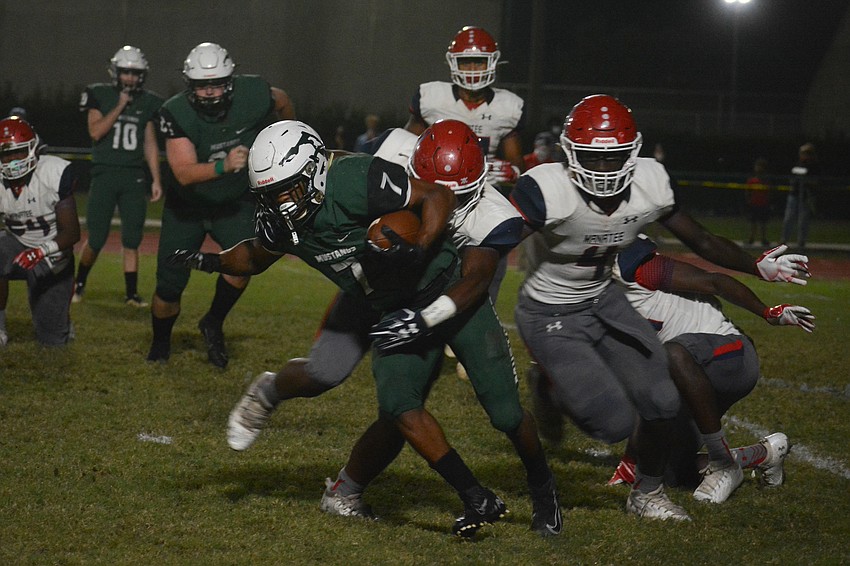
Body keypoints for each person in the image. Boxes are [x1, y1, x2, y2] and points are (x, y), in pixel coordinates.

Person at [169, 119, 559, 537]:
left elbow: (440, 200)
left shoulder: (358, 181)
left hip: (445, 290)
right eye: (271, 194)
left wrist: (419, 248)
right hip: (381, 303)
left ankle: (543, 490)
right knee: (393, 404)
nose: (281, 204)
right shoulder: (291, 212)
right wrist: (212, 261)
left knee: (504, 412)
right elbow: (254, 256)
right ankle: (470, 496)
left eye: (288, 191)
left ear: (316, 171)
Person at [509, 94, 810, 521]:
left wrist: (763, 297)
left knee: (665, 364)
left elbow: (710, 276)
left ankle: (722, 461)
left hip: (723, 356)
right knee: (678, 469)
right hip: (681, 366)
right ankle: (764, 453)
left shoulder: (631, 261)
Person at [604, 235, 812, 503]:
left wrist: (767, 312)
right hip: (689, 378)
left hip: (731, 356)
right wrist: (631, 461)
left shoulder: (637, 268)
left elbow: (716, 282)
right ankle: (766, 453)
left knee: (674, 354)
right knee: (673, 472)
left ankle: (722, 462)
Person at [147, 42, 294, 367]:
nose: (211, 92)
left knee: (246, 264)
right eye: (202, 86)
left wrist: (288, 136)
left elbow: (281, 101)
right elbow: (183, 173)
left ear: (231, 80)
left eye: (217, 84)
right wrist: (222, 166)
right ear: (190, 86)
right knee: (169, 287)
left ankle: (213, 321)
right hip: (188, 206)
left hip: (235, 200)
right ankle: (160, 343)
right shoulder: (175, 111)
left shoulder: (253, 92)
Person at [405, 25, 526, 306]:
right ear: (453, 63)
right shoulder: (432, 98)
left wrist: (512, 171)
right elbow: (406, 146)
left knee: (489, 259)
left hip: (480, 199)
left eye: (479, 61)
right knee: (424, 254)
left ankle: (476, 317)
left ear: (492, 63)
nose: (472, 68)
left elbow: (516, 164)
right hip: (432, 194)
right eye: (466, 61)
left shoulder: (508, 108)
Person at [73, 46, 164, 307]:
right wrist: (120, 106)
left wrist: (156, 179)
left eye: (135, 74)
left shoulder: (147, 102)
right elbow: (96, 132)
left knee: (132, 238)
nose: (130, 79)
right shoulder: (99, 94)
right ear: (116, 72)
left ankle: (131, 294)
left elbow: (149, 142)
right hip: (105, 174)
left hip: (133, 177)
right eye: (126, 73)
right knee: (97, 237)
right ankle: (79, 283)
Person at [0, 117, 81, 346]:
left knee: (52, 340)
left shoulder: (52, 173)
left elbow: (72, 233)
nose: (12, 161)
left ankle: (61, 321)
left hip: (52, 255)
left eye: (18, 152)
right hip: (17, 243)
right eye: (6, 155)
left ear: (33, 149)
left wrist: (40, 252)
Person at [781, 142, 820, 250]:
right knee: (789, 218)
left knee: (803, 220)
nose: (805, 155)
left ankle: (801, 241)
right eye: (803, 153)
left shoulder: (814, 166)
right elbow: (792, 177)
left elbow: (815, 181)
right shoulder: (798, 164)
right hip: (795, 194)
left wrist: (807, 182)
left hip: (806, 196)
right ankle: (784, 240)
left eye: (808, 153)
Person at [745, 157, 771, 246]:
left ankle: (763, 238)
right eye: (757, 166)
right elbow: (748, 191)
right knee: (753, 222)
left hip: (763, 204)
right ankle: (751, 238)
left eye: (761, 167)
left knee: (763, 223)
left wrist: (768, 201)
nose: (759, 168)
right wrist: (748, 200)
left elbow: (768, 192)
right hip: (753, 204)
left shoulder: (766, 180)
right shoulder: (752, 180)